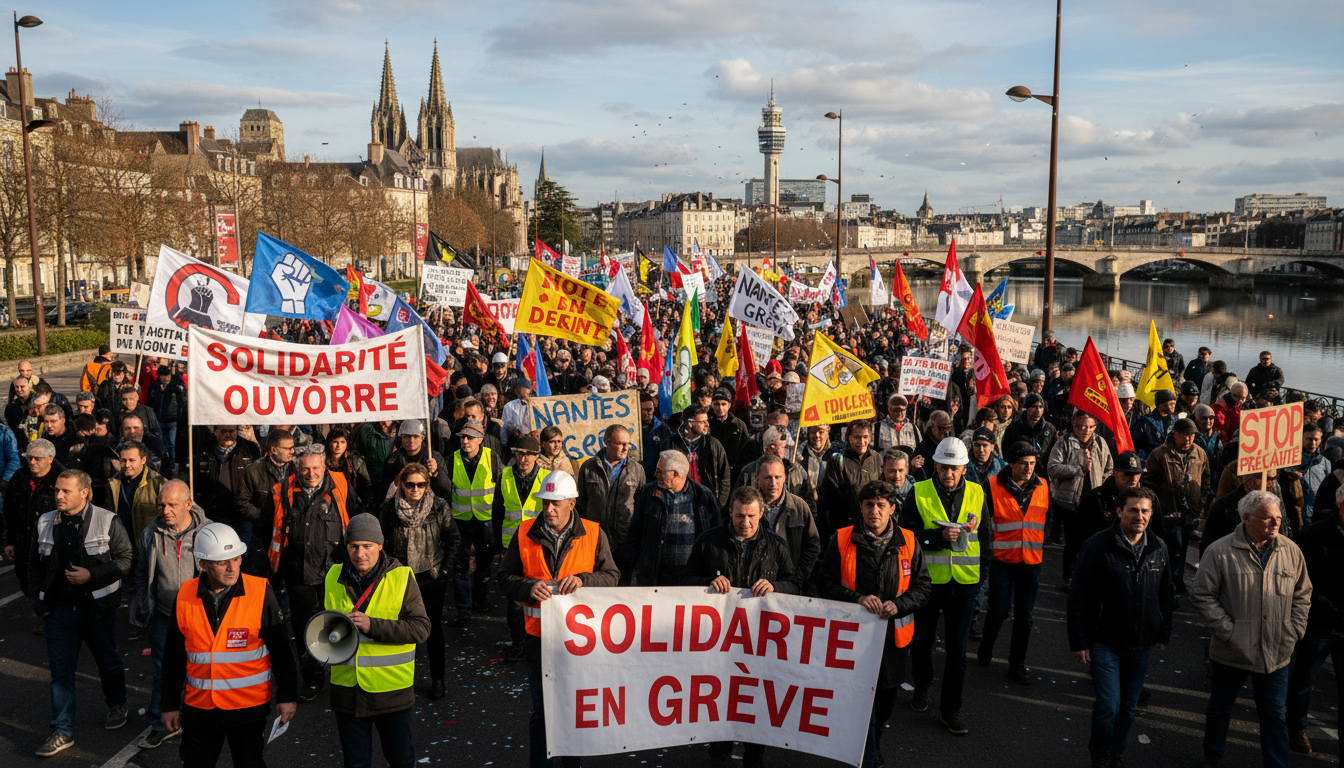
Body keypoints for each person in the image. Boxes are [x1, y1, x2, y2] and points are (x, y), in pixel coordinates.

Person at [497, 470, 619, 768]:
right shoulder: (525, 532)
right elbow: (503, 576)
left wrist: (583, 580)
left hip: (579, 642)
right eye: (544, 502)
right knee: (543, 712)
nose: (548, 509)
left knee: (572, 710)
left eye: (555, 503)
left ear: (571, 504)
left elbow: (612, 576)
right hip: (539, 640)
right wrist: (527, 587)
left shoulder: (593, 533)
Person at [158, 522, 298, 768]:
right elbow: (173, 655)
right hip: (200, 708)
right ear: (203, 564)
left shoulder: (260, 592)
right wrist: (169, 704)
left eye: (236, 558)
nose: (232, 567)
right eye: (223, 561)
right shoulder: (184, 594)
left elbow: (281, 650)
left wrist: (286, 696)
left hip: (248, 709)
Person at [681, 485, 799, 768]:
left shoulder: (777, 546)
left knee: (756, 699)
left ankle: (754, 755)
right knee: (720, 698)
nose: (744, 523)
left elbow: (796, 586)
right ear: (729, 513)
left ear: (761, 514)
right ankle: (719, 755)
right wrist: (706, 582)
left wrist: (776, 586)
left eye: (750, 516)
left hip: (760, 642)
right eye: (738, 516)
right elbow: (685, 580)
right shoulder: (708, 542)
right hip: (719, 641)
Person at [815, 479, 931, 768]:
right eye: (869, 504)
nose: (874, 511)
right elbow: (824, 583)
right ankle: (864, 753)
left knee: (886, 698)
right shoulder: (841, 538)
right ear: (861, 507)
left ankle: (873, 742)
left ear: (892, 508)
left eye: (881, 505)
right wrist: (856, 599)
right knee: (855, 699)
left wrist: (899, 605)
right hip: (850, 639)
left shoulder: (909, 540)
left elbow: (923, 587)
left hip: (893, 639)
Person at [1192, 490, 1311, 768]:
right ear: (1245, 518)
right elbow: (1202, 595)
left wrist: (1294, 630)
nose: (1275, 523)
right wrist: (1229, 632)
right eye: (1267, 518)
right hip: (1232, 650)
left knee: (1273, 716)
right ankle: (1213, 753)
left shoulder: (1290, 551)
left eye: (1278, 518)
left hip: (1275, 652)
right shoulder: (1220, 551)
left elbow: (1303, 594)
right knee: (1221, 708)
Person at [28, 469, 133, 757]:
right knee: (60, 674)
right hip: (58, 613)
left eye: (65, 491)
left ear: (83, 492)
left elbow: (125, 559)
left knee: (108, 662)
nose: (58, 495)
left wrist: (93, 575)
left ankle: (117, 703)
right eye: (57, 491)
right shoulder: (45, 521)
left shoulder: (106, 519)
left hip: (97, 611)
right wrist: (39, 603)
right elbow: (33, 566)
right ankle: (61, 730)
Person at [1067, 486, 1174, 768]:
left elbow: (1166, 593)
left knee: (1128, 708)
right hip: (1105, 641)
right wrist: (1079, 641)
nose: (1139, 516)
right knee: (1108, 706)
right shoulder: (1097, 546)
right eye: (1133, 510)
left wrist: (1163, 630)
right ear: (1119, 512)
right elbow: (1078, 595)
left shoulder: (1158, 547)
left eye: (1145, 511)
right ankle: (1100, 759)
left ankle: (1116, 754)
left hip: (1142, 644)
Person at [325, 513, 432, 768]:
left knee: (401, 760)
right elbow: (323, 625)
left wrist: (374, 626)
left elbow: (421, 629)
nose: (360, 553)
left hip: (391, 694)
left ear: (380, 546)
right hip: (347, 693)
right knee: (356, 763)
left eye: (367, 546)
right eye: (353, 546)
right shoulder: (332, 576)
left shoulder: (402, 577)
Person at [900, 437, 991, 735]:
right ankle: (922, 686)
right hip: (928, 584)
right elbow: (906, 535)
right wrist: (936, 538)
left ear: (964, 468)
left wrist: (982, 578)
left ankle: (951, 710)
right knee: (923, 644)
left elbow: (986, 537)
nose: (948, 473)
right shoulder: (920, 491)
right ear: (936, 466)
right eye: (943, 468)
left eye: (954, 468)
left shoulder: (978, 493)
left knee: (957, 651)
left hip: (964, 585)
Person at [267, 444, 352, 701]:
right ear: (296, 468)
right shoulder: (284, 492)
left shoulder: (339, 487)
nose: (311, 473)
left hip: (333, 572)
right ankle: (313, 680)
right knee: (306, 630)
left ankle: (345, 675)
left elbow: (354, 517)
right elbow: (269, 529)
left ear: (324, 466)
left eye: (316, 467)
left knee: (341, 623)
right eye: (305, 468)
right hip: (298, 575)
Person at [131, 480, 210, 749]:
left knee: (199, 668)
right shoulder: (150, 533)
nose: (165, 510)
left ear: (189, 504)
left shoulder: (209, 532)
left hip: (200, 615)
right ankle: (159, 722)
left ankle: (196, 718)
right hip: (164, 616)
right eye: (161, 504)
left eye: (172, 505)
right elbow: (141, 571)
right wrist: (144, 603)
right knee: (163, 670)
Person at [378, 464, 460, 700]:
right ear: (401, 485)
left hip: (430, 576)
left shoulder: (438, 506)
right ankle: (399, 679)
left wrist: (443, 571)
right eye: (410, 484)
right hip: (399, 577)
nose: (416, 489)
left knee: (433, 628)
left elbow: (453, 538)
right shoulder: (388, 509)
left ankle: (438, 678)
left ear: (427, 485)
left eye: (421, 484)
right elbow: (381, 543)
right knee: (399, 629)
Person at [977, 441, 1049, 684]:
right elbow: (983, 527)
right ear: (1010, 464)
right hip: (1003, 562)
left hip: (1031, 562)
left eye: (1032, 463)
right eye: (1022, 464)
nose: (1028, 468)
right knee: (998, 612)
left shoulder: (1043, 486)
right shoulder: (992, 486)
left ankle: (1017, 664)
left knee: (1025, 617)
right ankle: (986, 648)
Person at [1285, 485, 1344, 758]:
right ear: (1339, 504)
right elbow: (1297, 578)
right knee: (1303, 680)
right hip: (1319, 621)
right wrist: (1326, 605)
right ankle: (1296, 728)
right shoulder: (1313, 534)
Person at [626, 450, 722, 586]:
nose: (654, 474)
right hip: (656, 580)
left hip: (692, 580)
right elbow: (634, 531)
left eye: (660, 471)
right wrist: (639, 565)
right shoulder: (648, 493)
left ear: (676, 474)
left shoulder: (703, 496)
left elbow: (717, 536)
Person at [494, 435, 549, 654]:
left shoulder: (546, 478)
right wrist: (498, 545)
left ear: (537, 456)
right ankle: (519, 642)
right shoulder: (505, 475)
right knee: (515, 597)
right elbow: (497, 511)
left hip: (539, 545)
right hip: (512, 545)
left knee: (541, 594)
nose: (523, 458)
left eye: (528, 454)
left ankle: (539, 640)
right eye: (519, 453)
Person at [1145, 418, 1210, 597]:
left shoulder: (1200, 453)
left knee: (1182, 551)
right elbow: (1148, 482)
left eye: (1191, 436)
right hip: (1168, 514)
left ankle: (1177, 582)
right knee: (1170, 549)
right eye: (1184, 435)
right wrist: (1160, 506)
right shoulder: (1159, 454)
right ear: (1175, 434)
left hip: (1190, 513)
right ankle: (1167, 583)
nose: (1188, 439)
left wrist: (1201, 501)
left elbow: (1206, 479)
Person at [448, 418, 504, 626]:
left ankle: (480, 601)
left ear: (480, 439)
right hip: (460, 522)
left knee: (484, 567)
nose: (465, 442)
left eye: (470, 438)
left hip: (484, 521)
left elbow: (501, 485)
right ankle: (464, 612)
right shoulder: (451, 459)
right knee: (460, 569)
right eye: (463, 438)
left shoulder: (491, 458)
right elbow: (446, 487)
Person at [1048, 411, 1114, 582]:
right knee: (1073, 541)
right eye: (1080, 426)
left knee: (1094, 540)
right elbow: (1053, 468)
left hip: (1095, 501)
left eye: (1089, 427)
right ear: (1073, 422)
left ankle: (1090, 575)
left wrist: (1103, 487)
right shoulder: (1064, 442)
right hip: (1070, 501)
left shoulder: (1100, 443)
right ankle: (1069, 577)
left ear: (1095, 426)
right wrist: (1078, 470)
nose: (1085, 430)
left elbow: (1108, 468)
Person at [575, 424, 646, 580]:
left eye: (627, 444)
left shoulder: (637, 470)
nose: (625, 448)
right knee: (594, 586)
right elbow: (580, 505)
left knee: (623, 589)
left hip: (624, 542)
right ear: (606, 443)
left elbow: (641, 508)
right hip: (594, 540)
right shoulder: (588, 467)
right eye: (620, 443)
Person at [4, 439, 63, 601]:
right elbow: (10, 512)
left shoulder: (61, 480)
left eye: (38, 458)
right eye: (29, 457)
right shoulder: (19, 477)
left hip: (52, 546)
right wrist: (9, 541)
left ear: (50, 458)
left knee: (52, 588)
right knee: (28, 584)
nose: (32, 462)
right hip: (24, 545)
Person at [750, 455, 821, 582]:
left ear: (785, 478)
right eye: (767, 478)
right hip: (754, 585)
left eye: (778, 477)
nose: (773, 483)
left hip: (789, 585)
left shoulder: (799, 507)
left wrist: (797, 578)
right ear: (757, 478)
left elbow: (813, 545)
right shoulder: (747, 507)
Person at [193, 425, 262, 541]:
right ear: (215, 431)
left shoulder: (249, 449)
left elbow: (258, 482)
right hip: (212, 515)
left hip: (241, 516)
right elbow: (196, 482)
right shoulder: (203, 449)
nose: (228, 435)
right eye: (223, 431)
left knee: (241, 555)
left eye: (231, 431)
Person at [819, 420, 883, 541]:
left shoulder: (876, 458)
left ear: (870, 438)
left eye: (865, 437)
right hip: (844, 525)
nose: (861, 442)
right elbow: (831, 495)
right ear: (849, 438)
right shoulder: (837, 460)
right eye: (857, 437)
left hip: (870, 524)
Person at [1072, 451, 1146, 547]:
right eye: (1128, 473)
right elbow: (1077, 536)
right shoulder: (1095, 498)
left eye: (1137, 473)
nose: (1133, 478)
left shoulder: (1148, 500)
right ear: (1115, 472)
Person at [670, 403, 732, 508]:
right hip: (679, 506)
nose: (707, 424)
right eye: (702, 422)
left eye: (707, 421)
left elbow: (725, 476)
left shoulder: (713, 444)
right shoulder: (671, 445)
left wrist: (719, 504)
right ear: (690, 423)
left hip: (707, 506)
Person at [109, 440, 167, 545]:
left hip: (150, 545)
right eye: (123, 460)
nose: (127, 465)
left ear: (143, 459)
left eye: (132, 460)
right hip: (122, 546)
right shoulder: (113, 483)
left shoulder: (158, 483)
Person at [146, 366, 187, 473]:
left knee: (171, 445)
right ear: (160, 376)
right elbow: (150, 403)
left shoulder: (175, 386)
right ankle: (164, 464)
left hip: (173, 421)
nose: (168, 378)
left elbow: (183, 400)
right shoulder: (154, 387)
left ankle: (172, 464)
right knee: (162, 445)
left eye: (169, 375)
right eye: (165, 376)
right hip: (159, 421)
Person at [326, 427, 373, 512]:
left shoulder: (355, 461)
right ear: (329, 443)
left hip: (351, 503)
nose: (338, 446)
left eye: (342, 442)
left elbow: (366, 485)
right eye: (335, 442)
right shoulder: (322, 462)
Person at [1002, 393, 1058, 462]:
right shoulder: (1014, 428)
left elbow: (1055, 454)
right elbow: (1006, 453)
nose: (1038, 410)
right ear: (1027, 408)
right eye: (1034, 406)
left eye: (1041, 407)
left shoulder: (1050, 429)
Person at [1132, 389, 1178, 459]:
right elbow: (1136, 444)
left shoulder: (1176, 421)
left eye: (1174, 404)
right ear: (1159, 405)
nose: (1172, 406)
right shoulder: (1144, 422)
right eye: (1169, 404)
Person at [708, 387, 750, 460]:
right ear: (712, 405)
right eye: (716, 404)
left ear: (729, 405)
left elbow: (747, 449)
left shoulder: (739, 425)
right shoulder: (708, 425)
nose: (720, 408)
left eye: (723, 404)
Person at [638, 392, 673, 476]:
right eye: (645, 409)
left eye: (651, 409)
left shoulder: (662, 428)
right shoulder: (631, 429)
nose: (649, 412)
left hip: (657, 473)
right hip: (637, 472)